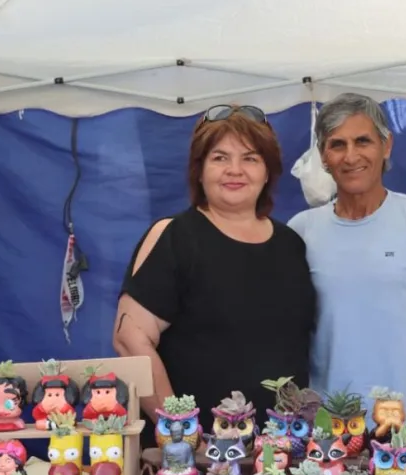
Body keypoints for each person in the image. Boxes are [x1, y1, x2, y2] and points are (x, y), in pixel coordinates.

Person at [113, 104, 316, 437]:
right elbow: (129, 340)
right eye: (220, 158)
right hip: (198, 458)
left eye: (250, 158)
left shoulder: (291, 244)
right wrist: (181, 433)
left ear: (267, 171)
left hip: (281, 453)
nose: (234, 170)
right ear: (200, 170)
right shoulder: (175, 237)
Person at [288, 93, 406, 416]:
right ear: (323, 156)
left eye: (363, 141)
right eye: (337, 145)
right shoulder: (302, 231)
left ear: (386, 146)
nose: (351, 157)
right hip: (333, 426)